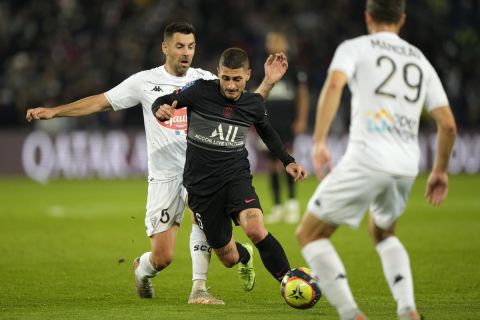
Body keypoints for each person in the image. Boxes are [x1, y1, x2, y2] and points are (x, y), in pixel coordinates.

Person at [25, 22, 287, 304]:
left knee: (200, 216)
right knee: (164, 257)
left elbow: (245, 106)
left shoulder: (206, 79)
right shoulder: (144, 82)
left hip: (202, 172)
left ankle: (199, 289)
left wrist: (268, 83)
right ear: (165, 48)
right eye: (179, 46)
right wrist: (55, 112)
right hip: (164, 176)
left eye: (191, 46)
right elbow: (101, 102)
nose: (186, 53)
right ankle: (144, 269)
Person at [295, 1, 457, 320]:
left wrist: (319, 141)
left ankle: (351, 313)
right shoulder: (420, 60)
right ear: (403, 20)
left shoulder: (354, 47)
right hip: (406, 166)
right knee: (383, 232)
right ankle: (408, 309)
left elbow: (334, 84)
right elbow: (448, 124)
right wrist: (439, 170)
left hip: (367, 157)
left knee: (309, 235)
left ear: (367, 17)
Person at [152, 47, 307, 292]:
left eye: (237, 79)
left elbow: (267, 131)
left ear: (247, 76)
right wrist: (159, 109)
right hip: (202, 188)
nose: (231, 86)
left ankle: (291, 283)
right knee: (229, 258)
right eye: (225, 78)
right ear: (218, 74)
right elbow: (163, 101)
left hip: (236, 178)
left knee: (255, 228)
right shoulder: (200, 91)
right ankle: (244, 256)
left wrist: (288, 161)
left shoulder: (252, 104)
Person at [260, 31, 310, 224]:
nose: (274, 44)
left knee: (288, 160)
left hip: (287, 121)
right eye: (271, 41)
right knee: (272, 164)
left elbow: (303, 94)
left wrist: (302, 118)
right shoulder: (262, 66)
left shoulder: (295, 66)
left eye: (278, 41)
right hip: (268, 121)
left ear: (286, 44)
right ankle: (278, 206)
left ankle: (291, 204)